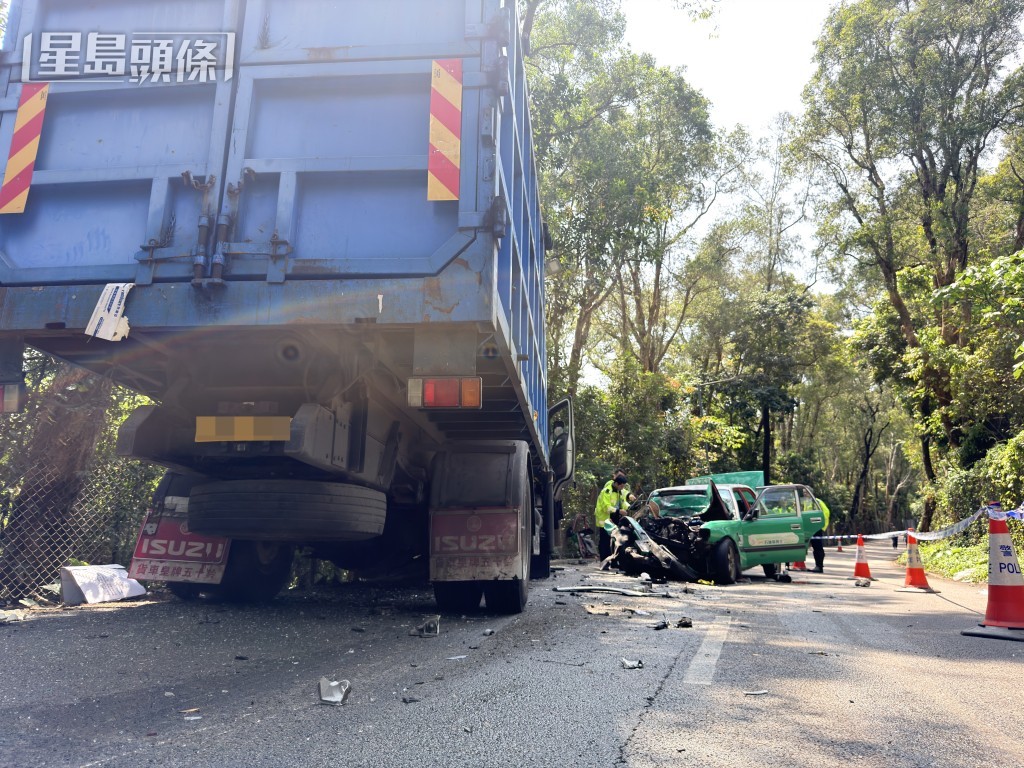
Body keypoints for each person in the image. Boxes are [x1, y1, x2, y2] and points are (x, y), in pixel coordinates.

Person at [594, 471, 630, 560]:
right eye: (621, 486)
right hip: (605, 518)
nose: (622, 488)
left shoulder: (619, 491)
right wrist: (619, 511)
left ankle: (613, 560)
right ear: (617, 483)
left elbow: (622, 502)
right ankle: (604, 560)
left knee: (614, 540)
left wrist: (629, 507)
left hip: (614, 517)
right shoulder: (606, 491)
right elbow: (606, 507)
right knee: (604, 540)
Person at [810, 498, 831, 573]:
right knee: (815, 547)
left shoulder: (817, 501)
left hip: (818, 527)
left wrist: (822, 525)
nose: (804, 494)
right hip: (811, 528)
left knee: (818, 547)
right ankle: (817, 565)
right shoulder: (806, 502)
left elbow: (826, 512)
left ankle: (819, 566)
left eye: (805, 492)